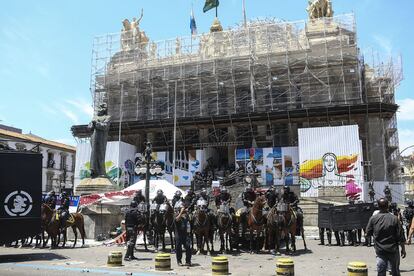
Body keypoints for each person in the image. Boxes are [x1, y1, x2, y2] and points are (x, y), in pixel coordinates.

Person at [366, 198, 406, 276]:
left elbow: (367, 233)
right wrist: (403, 249)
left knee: (381, 272)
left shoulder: (373, 219)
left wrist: (374, 241)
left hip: (380, 251)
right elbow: (400, 236)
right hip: (393, 250)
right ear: (388, 206)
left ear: (378, 206)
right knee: (395, 272)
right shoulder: (394, 219)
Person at [174, 201, 192, 267]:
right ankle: (179, 261)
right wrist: (181, 212)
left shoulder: (186, 216)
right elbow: (176, 220)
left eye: (184, 209)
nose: (184, 210)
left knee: (188, 247)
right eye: (182, 208)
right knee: (178, 248)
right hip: (178, 234)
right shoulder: (176, 215)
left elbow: (189, 223)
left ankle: (188, 261)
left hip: (186, 234)